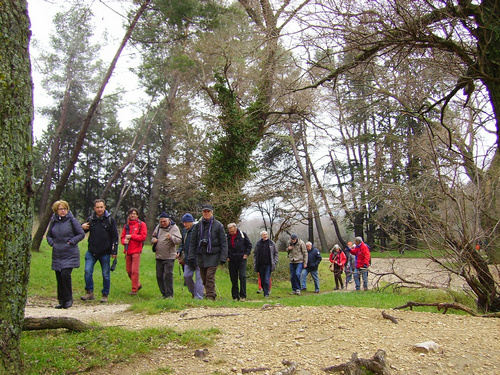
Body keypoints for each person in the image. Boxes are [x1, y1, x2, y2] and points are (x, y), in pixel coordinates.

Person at [46, 200, 85, 309]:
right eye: (60, 209)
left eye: (65, 209)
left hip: (70, 253)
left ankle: (68, 299)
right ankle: (61, 301)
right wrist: (52, 243)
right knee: (59, 276)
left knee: (65, 275)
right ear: (56, 210)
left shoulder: (72, 220)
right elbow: (49, 235)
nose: (63, 211)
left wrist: (71, 242)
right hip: (57, 253)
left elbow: (81, 234)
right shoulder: (53, 221)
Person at [80, 199, 119, 303]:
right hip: (91, 251)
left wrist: (114, 251)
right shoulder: (91, 219)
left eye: (101, 207)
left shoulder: (110, 220)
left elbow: (115, 236)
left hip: (105, 252)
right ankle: (89, 292)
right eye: (97, 207)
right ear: (94, 208)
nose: (99, 209)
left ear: (104, 207)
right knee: (87, 272)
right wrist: (82, 227)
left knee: (105, 274)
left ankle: (105, 294)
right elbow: (83, 231)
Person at [187, 204, 227, 301]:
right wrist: (191, 255)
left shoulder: (218, 225)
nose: (206, 213)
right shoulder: (197, 226)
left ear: (211, 212)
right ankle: (211, 293)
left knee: (209, 276)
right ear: (202, 213)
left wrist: (223, 257)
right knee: (204, 278)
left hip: (214, 254)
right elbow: (193, 242)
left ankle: (210, 296)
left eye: (208, 211)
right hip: (201, 255)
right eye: (204, 212)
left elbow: (224, 242)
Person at [151, 212, 182, 298]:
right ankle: (163, 293)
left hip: (169, 256)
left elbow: (179, 240)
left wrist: (171, 237)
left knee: (167, 275)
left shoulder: (174, 228)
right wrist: (153, 240)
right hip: (159, 256)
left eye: (164, 221)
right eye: (161, 221)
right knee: (159, 276)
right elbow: (153, 237)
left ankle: (169, 294)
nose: (163, 223)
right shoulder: (158, 227)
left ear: (168, 220)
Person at [121, 207, 147, 295]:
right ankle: (138, 284)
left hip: (136, 250)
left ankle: (134, 289)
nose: (133, 215)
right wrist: (124, 241)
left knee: (134, 270)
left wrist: (132, 237)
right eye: (131, 214)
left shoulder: (141, 224)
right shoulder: (126, 226)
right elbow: (122, 237)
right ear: (129, 215)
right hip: (128, 250)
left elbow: (143, 237)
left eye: (134, 214)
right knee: (128, 271)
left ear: (137, 215)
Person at [179, 213, 204, 299]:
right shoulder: (184, 231)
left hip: (198, 258)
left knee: (199, 279)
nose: (184, 224)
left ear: (191, 222)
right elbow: (182, 243)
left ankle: (199, 297)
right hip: (188, 259)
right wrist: (179, 251)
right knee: (187, 276)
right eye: (183, 222)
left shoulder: (198, 230)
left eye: (186, 222)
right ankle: (194, 292)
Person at [227, 223, 253, 301]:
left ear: (235, 229)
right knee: (233, 278)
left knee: (242, 276)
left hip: (241, 259)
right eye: (230, 231)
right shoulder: (227, 237)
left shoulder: (242, 235)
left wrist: (246, 254)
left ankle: (243, 296)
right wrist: (226, 256)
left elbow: (249, 245)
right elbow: (224, 247)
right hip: (231, 259)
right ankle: (235, 296)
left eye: (232, 231)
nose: (231, 233)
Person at [253, 230, 278, 298]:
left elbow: (276, 253)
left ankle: (266, 294)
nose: (265, 236)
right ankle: (265, 291)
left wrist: (275, 261)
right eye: (264, 235)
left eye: (266, 234)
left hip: (268, 264)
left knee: (267, 279)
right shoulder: (258, 244)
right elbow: (255, 254)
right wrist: (255, 262)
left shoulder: (271, 243)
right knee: (262, 280)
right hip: (260, 264)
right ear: (261, 236)